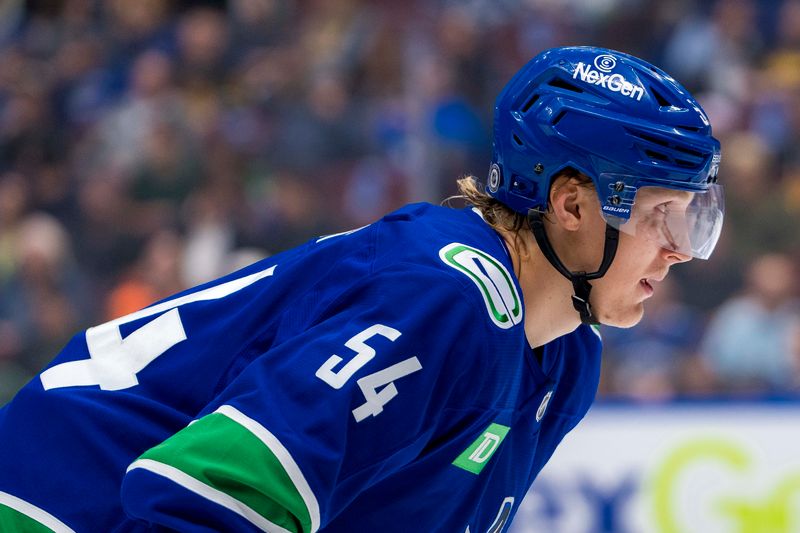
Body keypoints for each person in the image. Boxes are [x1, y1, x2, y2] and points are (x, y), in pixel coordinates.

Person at [0, 46, 723, 532]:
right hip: (51, 502)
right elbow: (197, 495)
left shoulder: (565, 360)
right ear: (570, 206)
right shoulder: (444, 298)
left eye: (695, 219)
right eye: (663, 214)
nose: (678, 250)